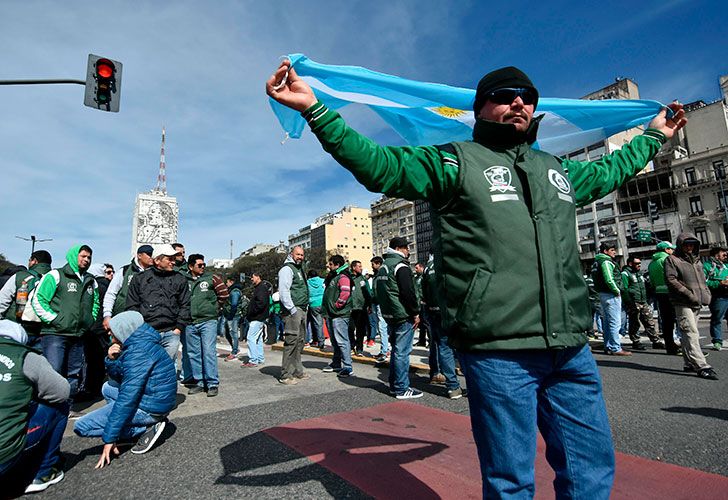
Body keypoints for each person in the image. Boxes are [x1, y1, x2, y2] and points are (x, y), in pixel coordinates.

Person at [267, 59, 686, 497]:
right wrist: (316, 112)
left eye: (527, 97)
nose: (518, 102)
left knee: (590, 467)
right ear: (480, 108)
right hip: (498, 351)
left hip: (571, 349)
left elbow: (610, 171)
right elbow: (381, 166)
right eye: (503, 96)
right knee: (510, 481)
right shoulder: (455, 162)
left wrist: (656, 135)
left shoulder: (557, 169)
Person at [73, 311, 177, 463]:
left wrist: (110, 437)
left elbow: (128, 398)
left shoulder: (138, 353)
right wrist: (111, 360)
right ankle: (130, 425)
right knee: (107, 388)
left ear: (123, 330)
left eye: (112, 330)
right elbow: (119, 377)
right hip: (154, 398)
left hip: (151, 407)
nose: (108, 333)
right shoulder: (138, 343)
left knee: (81, 426)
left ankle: (141, 429)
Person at [0, 320, 70, 494]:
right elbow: (62, 391)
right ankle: (44, 471)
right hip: (3, 454)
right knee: (59, 406)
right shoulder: (26, 357)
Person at [31, 244, 99, 401]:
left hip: (78, 335)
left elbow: (95, 304)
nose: (86, 260)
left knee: (73, 373)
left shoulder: (91, 281)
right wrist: (55, 319)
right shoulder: (55, 275)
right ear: (74, 256)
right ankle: (48, 406)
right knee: (53, 371)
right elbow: (39, 299)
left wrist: (89, 320)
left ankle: (66, 406)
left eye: (89, 257)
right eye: (83, 256)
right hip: (55, 334)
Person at [664, 234, 718, 380]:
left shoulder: (697, 261)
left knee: (687, 332)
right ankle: (702, 365)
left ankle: (689, 362)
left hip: (697, 301)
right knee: (690, 332)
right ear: (680, 245)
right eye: (686, 244)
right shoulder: (672, 259)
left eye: (692, 244)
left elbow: (703, 280)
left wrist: (706, 294)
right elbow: (671, 280)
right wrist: (688, 293)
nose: (689, 247)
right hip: (682, 301)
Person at [374, 237, 421, 398]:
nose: (408, 251)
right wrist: (415, 312)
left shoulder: (384, 266)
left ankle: (395, 385)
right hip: (402, 314)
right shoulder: (401, 266)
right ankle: (401, 388)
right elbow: (408, 292)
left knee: (396, 351)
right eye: (407, 248)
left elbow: (378, 291)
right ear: (400, 248)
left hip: (390, 314)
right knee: (402, 353)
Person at [126, 244, 191, 360]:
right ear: (157, 260)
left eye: (174, 259)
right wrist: (140, 329)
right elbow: (132, 305)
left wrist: (178, 329)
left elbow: (185, 305)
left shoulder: (180, 279)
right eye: (169, 259)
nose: (173, 262)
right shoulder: (139, 278)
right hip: (147, 332)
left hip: (171, 333)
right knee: (145, 367)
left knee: (166, 370)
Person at [184, 254, 228, 397]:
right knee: (193, 354)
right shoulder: (184, 280)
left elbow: (224, 294)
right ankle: (199, 382)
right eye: (199, 265)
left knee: (208, 352)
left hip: (208, 321)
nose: (203, 267)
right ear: (191, 266)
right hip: (190, 322)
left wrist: (214, 308)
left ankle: (212, 383)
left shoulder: (212, 278)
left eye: (203, 264)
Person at [422, 255, 463, 399]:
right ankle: (472, 386)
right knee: (462, 347)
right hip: (450, 311)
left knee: (444, 348)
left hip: (434, 312)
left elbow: (424, 292)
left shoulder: (427, 268)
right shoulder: (448, 262)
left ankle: (452, 387)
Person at [0, 250, 53, 346]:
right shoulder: (54, 279)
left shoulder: (20, 277)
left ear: (34, 261)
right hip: (44, 333)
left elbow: (2, 300)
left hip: (17, 329)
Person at [277, 246, 310, 384]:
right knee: (291, 341)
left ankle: (297, 370)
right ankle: (285, 374)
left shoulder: (299, 268)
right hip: (294, 310)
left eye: (302, 255)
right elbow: (284, 291)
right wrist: (293, 310)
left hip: (301, 309)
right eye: (298, 254)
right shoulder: (287, 269)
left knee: (300, 341)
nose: (300, 257)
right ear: (291, 254)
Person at [102, 245, 154, 330]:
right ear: (139, 255)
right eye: (149, 254)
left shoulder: (155, 273)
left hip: (147, 321)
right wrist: (107, 315)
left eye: (153, 255)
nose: (151, 257)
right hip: (122, 318)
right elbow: (111, 294)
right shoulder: (125, 271)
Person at [592, 242, 630, 355]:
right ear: (605, 251)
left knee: (608, 322)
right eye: (612, 250)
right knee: (615, 322)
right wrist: (616, 290)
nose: (614, 252)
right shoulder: (606, 262)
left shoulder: (596, 263)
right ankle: (615, 347)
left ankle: (608, 346)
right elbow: (609, 278)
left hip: (602, 294)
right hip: (610, 295)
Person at [321, 255, 354, 377]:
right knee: (335, 341)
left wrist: (337, 306)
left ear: (337, 265)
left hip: (339, 314)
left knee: (342, 341)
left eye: (330, 264)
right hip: (332, 314)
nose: (328, 266)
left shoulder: (343, 277)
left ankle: (347, 366)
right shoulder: (334, 276)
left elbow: (345, 293)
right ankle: (336, 363)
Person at [621, 256, 663, 350]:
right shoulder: (625, 274)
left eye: (640, 263)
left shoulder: (640, 274)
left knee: (649, 321)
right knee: (634, 322)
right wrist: (629, 302)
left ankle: (655, 341)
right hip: (633, 302)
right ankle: (636, 341)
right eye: (637, 263)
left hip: (643, 301)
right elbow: (624, 289)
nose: (639, 265)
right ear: (630, 264)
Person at [648, 241, 680, 355]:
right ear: (666, 249)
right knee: (680, 319)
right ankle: (686, 345)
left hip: (659, 293)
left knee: (666, 321)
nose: (673, 251)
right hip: (671, 292)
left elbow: (651, 281)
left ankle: (670, 345)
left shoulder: (652, 263)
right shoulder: (668, 260)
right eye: (671, 249)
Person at [703, 246, 728, 351]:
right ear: (716, 254)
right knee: (717, 319)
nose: (726, 255)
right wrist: (719, 283)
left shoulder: (726, 265)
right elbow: (704, 282)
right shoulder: (707, 266)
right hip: (718, 297)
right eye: (723, 253)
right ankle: (717, 341)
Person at [244, 273, 270, 367]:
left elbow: (261, 303)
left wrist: (251, 313)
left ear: (258, 277)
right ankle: (259, 358)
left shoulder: (261, 288)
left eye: (252, 277)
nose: (251, 279)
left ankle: (253, 360)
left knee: (251, 338)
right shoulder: (261, 288)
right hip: (260, 317)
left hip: (257, 317)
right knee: (258, 339)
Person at [348, 260, 371, 356]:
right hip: (350, 308)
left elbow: (368, 291)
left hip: (361, 308)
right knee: (350, 328)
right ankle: (352, 344)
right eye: (359, 266)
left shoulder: (362, 278)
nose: (361, 268)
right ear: (353, 267)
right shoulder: (348, 278)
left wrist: (369, 304)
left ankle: (359, 348)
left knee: (360, 330)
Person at [370, 256, 389, 360]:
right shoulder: (376, 275)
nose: (372, 266)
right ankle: (385, 349)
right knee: (381, 327)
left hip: (381, 304)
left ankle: (384, 351)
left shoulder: (383, 273)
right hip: (376, 303)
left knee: (382, 328)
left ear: (378, 264)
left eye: (373, 264)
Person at [222, 277, 246, 361]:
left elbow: (234, 304)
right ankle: (234, 348)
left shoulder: (235, 292)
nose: (226, 284)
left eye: (227, 282)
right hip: (230, 315)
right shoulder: (232, 291)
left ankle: (234, 351)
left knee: (234, 333)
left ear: (231, 282)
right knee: (227, 332)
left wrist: (230, 315)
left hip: (233, 316)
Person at [306, 269, 325, 348]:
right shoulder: (323, 281)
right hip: (323, 303)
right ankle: (321, 341)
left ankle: (318, 341)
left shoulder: (307, 282)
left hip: (313, 304)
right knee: (322, 324)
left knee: (316, 323)